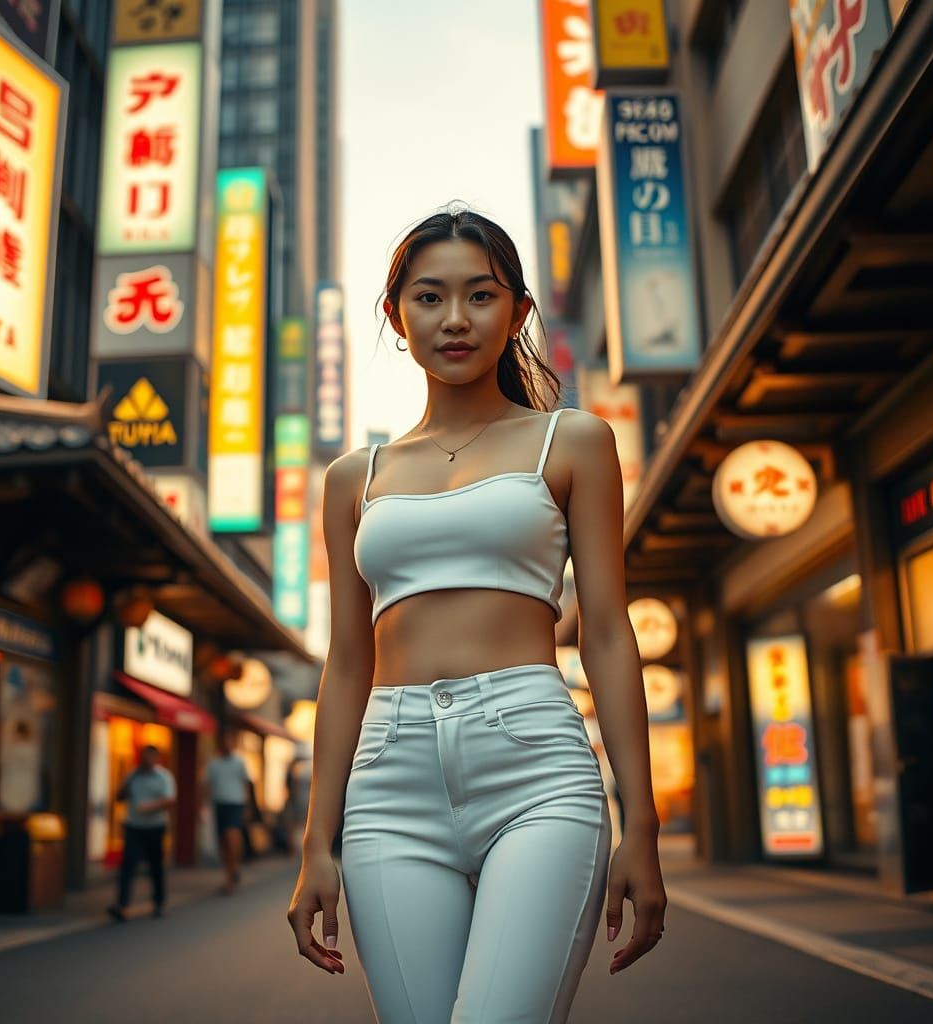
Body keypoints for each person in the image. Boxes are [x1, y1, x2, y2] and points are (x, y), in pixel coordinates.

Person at [287, 207, 667, 1022]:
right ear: (396, 317)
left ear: (518, 312)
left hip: (535, 770)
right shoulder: (355, 477)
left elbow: (604, 630)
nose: (455, 319)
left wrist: (643, 823)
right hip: (388, 784)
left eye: (480, 296)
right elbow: (348, 661)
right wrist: (317, 842)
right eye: (429, 298)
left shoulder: (572, 442)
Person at [107, 744, 176, 922]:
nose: (147, 760)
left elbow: (169, 800)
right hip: (134, 825)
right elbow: (120, 797)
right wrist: (123, 787)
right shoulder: (133, 775)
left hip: (155, 826)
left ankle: (159, 902)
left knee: (155, 866)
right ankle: (122, 905)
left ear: (157, 758)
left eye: (151, 757)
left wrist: (149, 807)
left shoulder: (164, 777)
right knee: (128, 865)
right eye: (145, 757)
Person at [203, 731, 251, 894]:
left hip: (235, 804)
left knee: (232, 837)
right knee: (223, 841)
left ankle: (234, 867)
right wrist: (202, 807)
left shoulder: (239, 762)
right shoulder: (213, 763)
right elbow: (207, 785)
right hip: (219, 804)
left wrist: (247, 806)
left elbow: (246, 784)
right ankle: (229, 874)